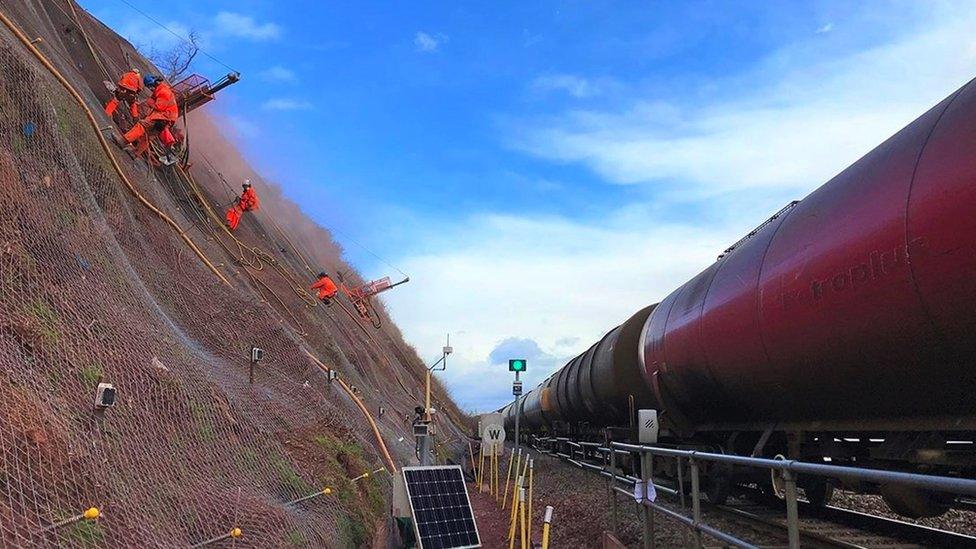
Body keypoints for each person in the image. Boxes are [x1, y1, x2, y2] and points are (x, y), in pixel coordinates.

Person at [113, 75, 179, 158]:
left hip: (163, 116)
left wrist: (149, 102)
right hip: (167, 119)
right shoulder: (160, 89)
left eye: (151, 86)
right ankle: (135, 153)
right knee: (148, 136)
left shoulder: (163, 92)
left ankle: (122, 141)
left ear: (155, 83)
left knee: (142, 125)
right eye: (149, 87)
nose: (150, 89)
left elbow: (159, 107)